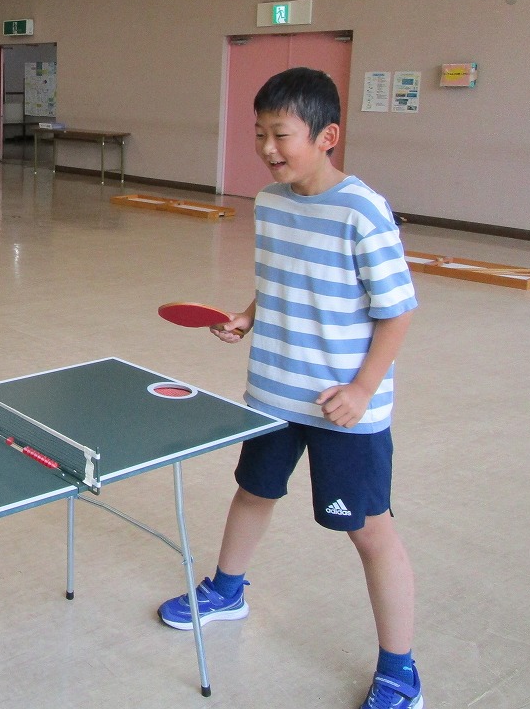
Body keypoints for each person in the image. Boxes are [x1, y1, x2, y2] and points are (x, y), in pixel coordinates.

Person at [156, 67, 421, 709]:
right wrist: (250, 315)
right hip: (274, 393)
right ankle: (227, 589)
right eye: (259, 134)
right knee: (252, 493)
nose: (267, 149)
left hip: (344, 410)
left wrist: (361, 388)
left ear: (327, 135)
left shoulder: (362, 210)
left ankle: (400, 668)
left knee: (371, 532)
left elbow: (397, 310)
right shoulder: (271, 205)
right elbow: (280, 277)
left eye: (281, 135)